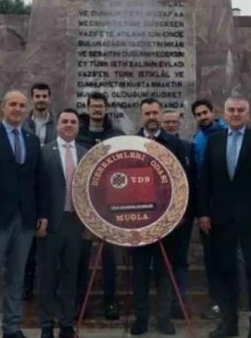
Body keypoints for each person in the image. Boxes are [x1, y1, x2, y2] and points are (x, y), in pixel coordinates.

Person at [0, 91, 49, 338]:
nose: (17, 109)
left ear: (27, 110)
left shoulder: (32, 140)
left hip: (25, 220)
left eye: (22, 105)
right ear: (2, 108)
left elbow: (39, 182)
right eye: (12, 104)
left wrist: (42, 215)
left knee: (17, 277)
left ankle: (12, 327)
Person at [198, 97, 251, 338]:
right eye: (231, 110)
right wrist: (204, 212)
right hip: (220, 219)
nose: (236, 114)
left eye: (241, 110)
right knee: (225, 271)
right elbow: (205, 181)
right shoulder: (214, 141)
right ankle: (229, 323)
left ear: (247, 114)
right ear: (225, 113)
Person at [130, 97, 185, 336]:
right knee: (140, 272)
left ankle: (164, 319)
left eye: (155, 112)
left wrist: (180, 212)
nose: (151, 117)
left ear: (161, 114)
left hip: (167, 221)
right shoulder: (130, 142)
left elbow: (185, 180)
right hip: (138, 221)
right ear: (141, 115)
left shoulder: (175, 143)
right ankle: (141, 318)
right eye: (147, 113)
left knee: (165, 272)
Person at [37, 109, 90, 338]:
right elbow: (37, 188)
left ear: (78, 127)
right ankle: (46, 325)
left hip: (76, 224)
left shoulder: (85, 153)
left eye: (73, 122)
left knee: (71, 275)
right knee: (47, 276)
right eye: (64, 121)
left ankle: (66, 324)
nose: (69, 125)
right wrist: (40, 217)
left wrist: (90, 222)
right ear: (57, 125)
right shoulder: (43, 152)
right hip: (50, 223)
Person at [76, 92, 123, 320]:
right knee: (82, 256)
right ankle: (79, 305)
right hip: (83, 204)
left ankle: (110, 302)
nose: (96, 110)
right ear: (88, 108)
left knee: (108, 257)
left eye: (100, 106)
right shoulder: (78, 134)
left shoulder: (116, 134)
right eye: (93, 106)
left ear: (106, 108)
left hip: (108, 204)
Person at [191, 99, 227, 320]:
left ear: (214, 112)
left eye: (205, 112)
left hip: (226, 207)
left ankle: (230, 302)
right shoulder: (197, 138)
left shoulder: (225, 134)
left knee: (229, 258)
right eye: (198, 114)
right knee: (211, 258)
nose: (203, 116)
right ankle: (217, 303)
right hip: (206, 207)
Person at [24, 82, 58, 302]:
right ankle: (26, 288)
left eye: (45, 96)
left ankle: (48, 290)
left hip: (52, 185)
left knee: (48, 245)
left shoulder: (57, 124)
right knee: (27, 246)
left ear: (50, 98)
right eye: (37, 96)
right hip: (27, 186)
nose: (41, 100)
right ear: (32, 98)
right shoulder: (23, 124)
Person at [161, 110, 197, 318]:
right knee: (163, 262)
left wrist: (186, 212)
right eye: (168, 122)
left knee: (180, 261)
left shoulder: (188, 148)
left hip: (182, 218)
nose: (171, 125)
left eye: (174, 122)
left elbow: (192, 182)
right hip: (159, 218)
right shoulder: (153, 148)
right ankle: (165, 307)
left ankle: (180, 304)